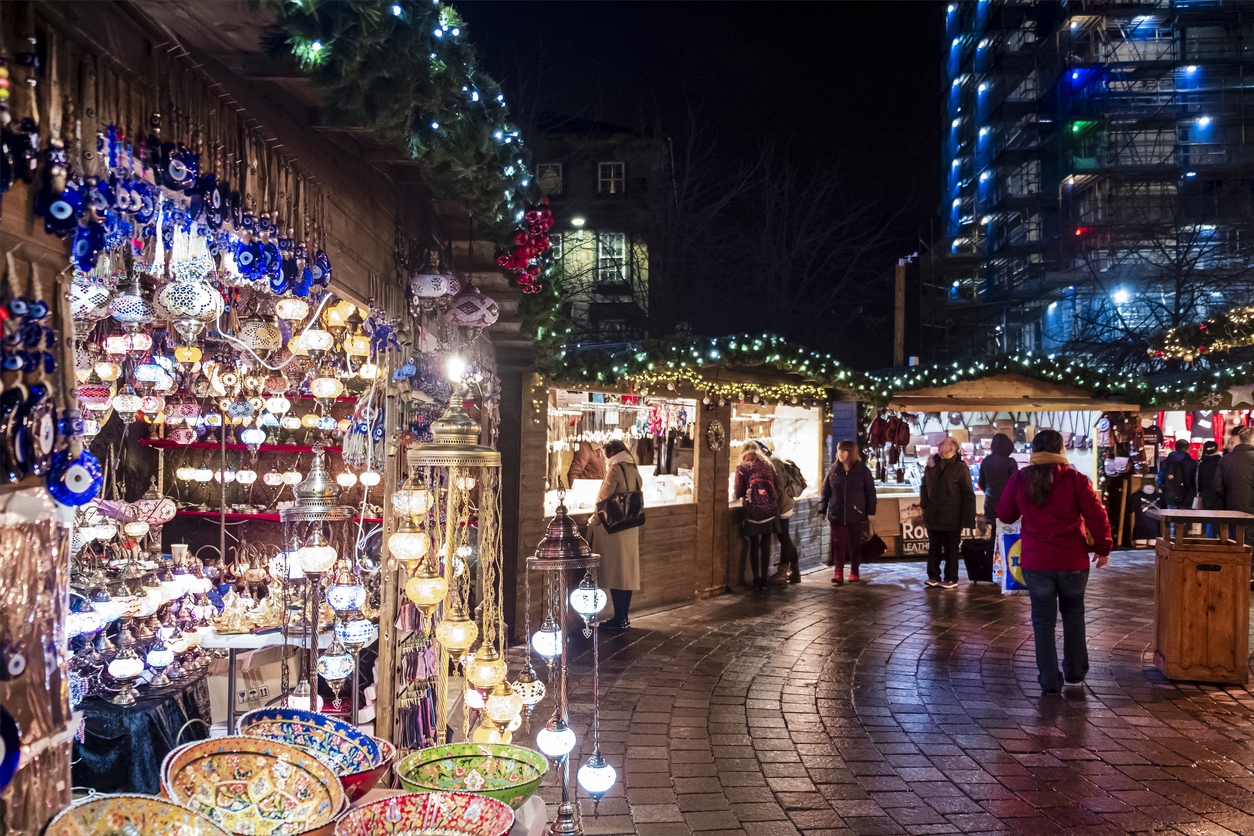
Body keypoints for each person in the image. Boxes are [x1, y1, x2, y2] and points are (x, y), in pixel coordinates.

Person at [996, 429, 1112, 694]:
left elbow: (1005, 514)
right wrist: (1104, 548)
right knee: (1074, 614)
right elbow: (1097, 515)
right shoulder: (1076, 479)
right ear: (1061, 449)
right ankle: (1074, 672)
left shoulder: (1020, 479)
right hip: (1072, 560)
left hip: (1037, 562)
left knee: (1042, 619)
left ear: (1034, 449)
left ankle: (1048, 679)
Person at [589, 439, 642, 630]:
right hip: (630, 526)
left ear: (611, 453)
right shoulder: (633, 468)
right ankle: (623, 617)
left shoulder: (616, 469)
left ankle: (618, 619)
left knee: (616, 574)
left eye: (604, 455)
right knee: (626, 575)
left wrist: (594, 520)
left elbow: (604, 497)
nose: (603, 459)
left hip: (615, 528)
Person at [920, 437, 976, 589]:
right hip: (933, 515)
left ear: (952, 449)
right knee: (934, 548)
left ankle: (951, 577)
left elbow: (968, 494)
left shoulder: (960, 468)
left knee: (951, 548)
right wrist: (925, 504)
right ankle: (933, 576)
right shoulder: (932, 465)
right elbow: (924, 486)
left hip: (952, 516)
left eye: (942, 443)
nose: (939, 445)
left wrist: (969, 519)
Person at [819, 440, 876, 585]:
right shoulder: (833, 470)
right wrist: (822, 509)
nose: (840, 454)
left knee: (854, 544)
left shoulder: (862, 471)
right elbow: (825, 492)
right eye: (839, 451)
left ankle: (854, 572)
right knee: (838, 544)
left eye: (844, 451)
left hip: (856, 514)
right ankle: (838, 573)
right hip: (837, 513)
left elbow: (870, 492)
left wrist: (870, 511)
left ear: (851, 453)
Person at [752, 440, 801, 585]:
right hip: (782, 503)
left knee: (783, 536)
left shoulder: (774, 462)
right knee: (784, 536)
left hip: (782, 504)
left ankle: (783, 571)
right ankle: (795, 572)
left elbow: (778, 488)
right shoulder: (773, 460)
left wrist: (774, 506)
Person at [734, 444, 779, 591]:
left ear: (744, 454)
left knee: (753, 545)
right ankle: (765, 580)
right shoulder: (769, 465)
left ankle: (755, 580)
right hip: (768, 511)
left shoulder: (742, 468)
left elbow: (738, 492)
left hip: (752, 512)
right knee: (765, 545)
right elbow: (777, 487)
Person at [1215, 426, 1254, 579]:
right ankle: (1249, 575)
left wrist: (1229, 497)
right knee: (1251, 540)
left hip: (1232, 508)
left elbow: (1217, 486)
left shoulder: (1225, 460)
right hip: (1252, 507)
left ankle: (1235, 572)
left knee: (1234, 539)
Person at [978, 433, 1018, 531]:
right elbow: (1016, 484)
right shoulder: (1010, 462)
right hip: (1007, 503)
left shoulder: (986, 461)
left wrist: (989, 491)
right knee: (1008, 532)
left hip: (990, 502)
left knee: (994, 532)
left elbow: (981, 483)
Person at [1158, 438, 1197, 509]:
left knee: (1171, 517)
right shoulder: (1192, 463)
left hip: (1170, 496)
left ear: (1175, 448)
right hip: (1187, 497)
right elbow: (1195, 481)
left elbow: (1160, 478)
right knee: (1184, 518)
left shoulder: (1166, 462)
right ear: (1188, 449)